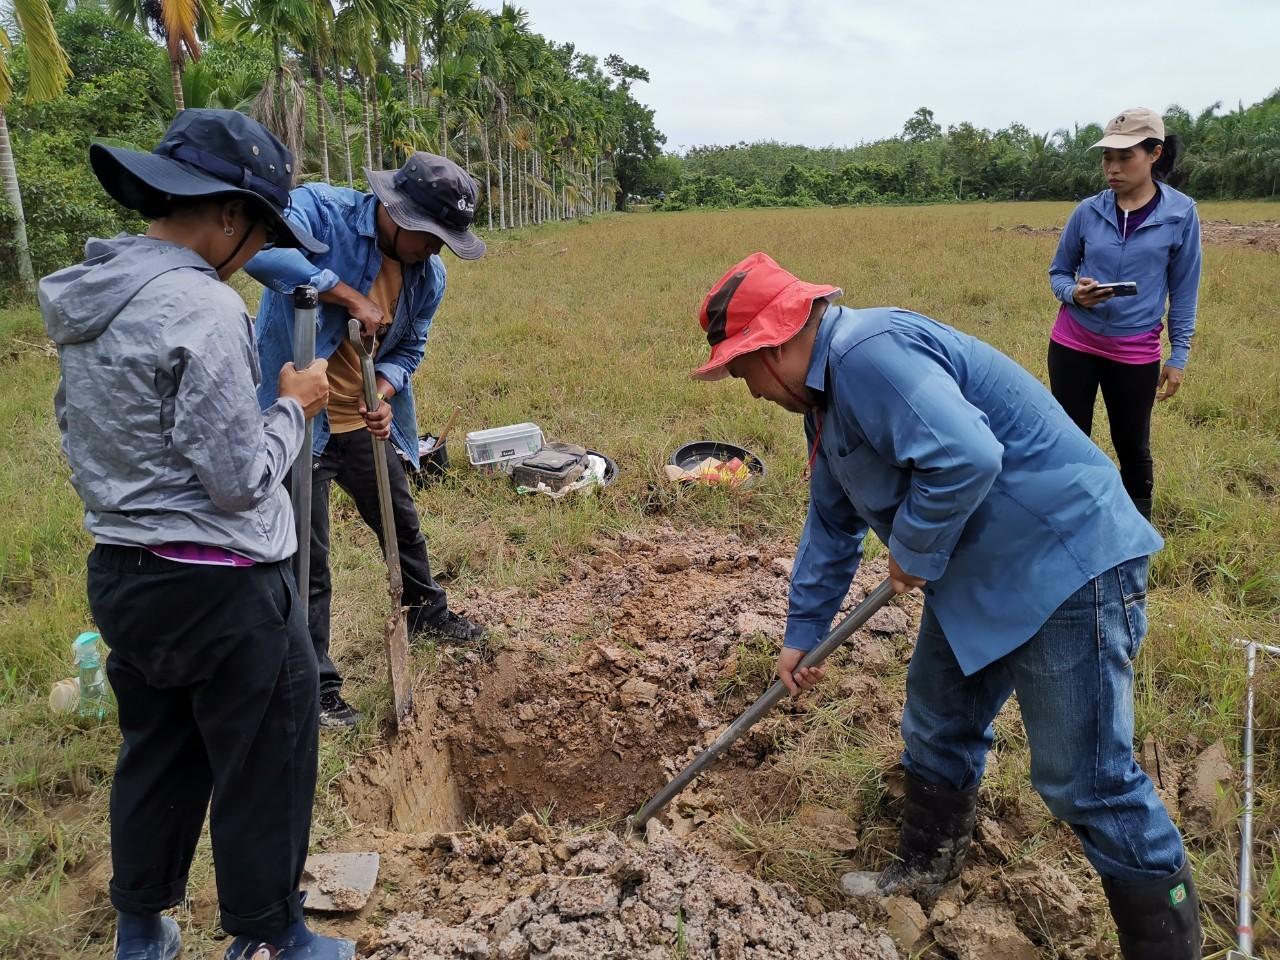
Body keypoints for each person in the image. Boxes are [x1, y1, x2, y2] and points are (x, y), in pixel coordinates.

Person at [693, 252, 1203, 959]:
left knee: (1084, 778)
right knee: (937, 721)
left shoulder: (869, 356)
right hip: (981, 573)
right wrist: (802, 634)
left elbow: (968, 456)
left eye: (740, 369)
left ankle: (1166, 944)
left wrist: (911, 547)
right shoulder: (825, 402)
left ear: (771, 346)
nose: (746, 390)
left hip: (1064, 562)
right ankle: (926, 870)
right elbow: (832, 524)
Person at [39, 109, 353, 960]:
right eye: (254, 229)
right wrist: (297, 405)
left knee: (158, 752)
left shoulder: (86, 298)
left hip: (124, 574)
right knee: (266, 761)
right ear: (224, 215)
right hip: (224, 589)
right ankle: (274, 939)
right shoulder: (201, 306)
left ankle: (141, 932)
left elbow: (81, 432)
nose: (253, 250)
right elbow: (241, 475)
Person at [246, 152, 487, 727]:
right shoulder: (321, 213)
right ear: (393, 210)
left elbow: (411, 346)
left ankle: (425, 609)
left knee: (399, 520)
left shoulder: (429, 275)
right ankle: (315, 684)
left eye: (444, 241)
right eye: (428, 236)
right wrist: (343, 294)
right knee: (309, 556)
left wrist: (382, 387)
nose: (434, 250)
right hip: (298, 419)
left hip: (362, 417)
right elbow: (259, 250)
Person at [1048, 107, 1202, 520]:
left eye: (1124, 157)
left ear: (1154, 154)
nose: (1112, 168)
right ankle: (1069, 522)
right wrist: (1074, 295)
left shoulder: (1181, 213)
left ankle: (1135, 537)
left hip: (1134, 351)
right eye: (1106, 158)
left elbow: (1184, 288)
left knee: (1132, 445)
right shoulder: (1087, 210)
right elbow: (1059, 272)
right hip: (1073, 342)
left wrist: (1179, 354)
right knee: (1067, 439)